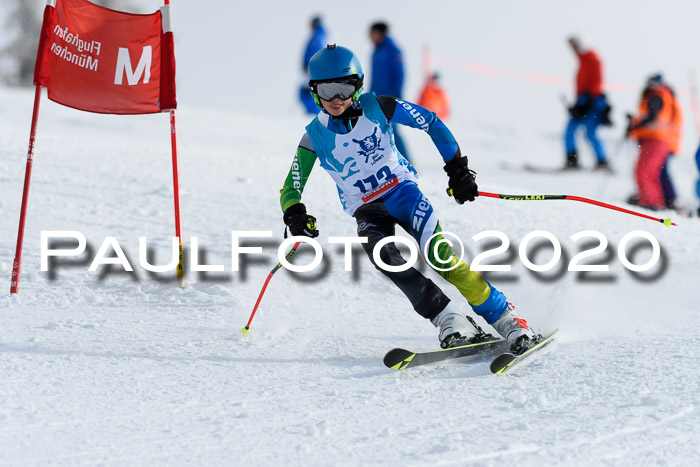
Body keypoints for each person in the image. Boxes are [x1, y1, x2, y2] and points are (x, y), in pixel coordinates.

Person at [279, 45, 538, 352]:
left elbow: (431, 121)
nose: (336, 99)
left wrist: (457, 168)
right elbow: (290, 188)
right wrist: (294, 213)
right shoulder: (313, 137)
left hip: (403, 193)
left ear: (358, 85)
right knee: (385, 259)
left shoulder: (379, 106)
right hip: (368, 211)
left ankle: (507, 318)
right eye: (327, 90)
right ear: (314, 91)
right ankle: (450, 318)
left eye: (344, 88)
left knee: (439, 255)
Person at [627, 74, 683, 210]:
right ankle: (656, 200)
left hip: (655, 139)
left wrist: (635, 126)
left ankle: (652, 202)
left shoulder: (656, 95)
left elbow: (652, 117)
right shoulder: (665, 96)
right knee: (653, 171)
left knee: (646, 171)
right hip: (661, 141)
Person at [564, 36, 613, 170]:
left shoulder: (593, 60)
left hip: (592, 102)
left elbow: (596, 82)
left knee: (589, 133)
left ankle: (602, 161)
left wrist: (587, 99)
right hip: (584, 100)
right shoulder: (583, 61)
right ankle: (572, 160)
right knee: (572, 131)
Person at [369, 22, 411, 162]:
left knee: (392, 130)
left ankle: (406, 161)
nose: (370, 36)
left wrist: (397, 93)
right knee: (377, 130)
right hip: (377, 98)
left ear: (379, 33)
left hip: (390, 97)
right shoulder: (376, 51)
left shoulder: (393, 50)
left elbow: (400, 73)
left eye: (372, 33)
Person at [299, 16, 328, 114]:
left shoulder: (316, 37)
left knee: (307, 92)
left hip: (312, 70)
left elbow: (314, 53)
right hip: (314, 69)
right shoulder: (321, 36)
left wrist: (309, 66)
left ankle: (313, 113)